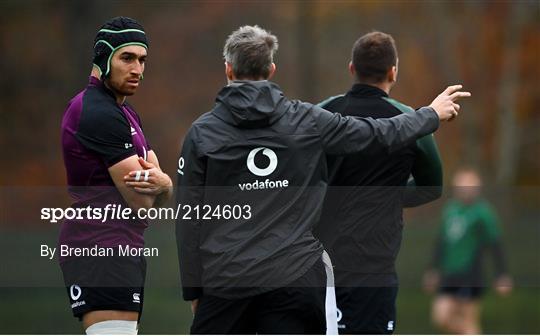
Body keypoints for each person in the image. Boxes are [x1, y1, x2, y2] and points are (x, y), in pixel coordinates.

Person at [176, 25, 469, 334]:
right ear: (272, 69)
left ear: (228, 69)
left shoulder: (201, 133)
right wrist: (430, 114)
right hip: (293, 281)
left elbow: (189, 219)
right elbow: (376, 134)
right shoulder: (305, 120)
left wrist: (193, 289)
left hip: (226, 285)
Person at [313, 31, 443, 334]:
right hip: (373, 269)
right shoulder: (410, 120)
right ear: (393, 71)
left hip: (317, 265)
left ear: (351, 69)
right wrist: (387, 195)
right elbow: (431, 186)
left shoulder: (323, 113)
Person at [60, 17, 172, 335]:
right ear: (103, 57)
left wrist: (162, 184)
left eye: (142, 60)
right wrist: (162, 183)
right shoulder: (97, 112)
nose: (137, 69)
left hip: (123, 244)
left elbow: (162, 194)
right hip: (99, 245)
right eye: (127, 58)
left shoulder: (125, 112)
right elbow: (142, 200)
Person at [423, 168, 512, 334]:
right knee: (440, 317)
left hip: (471, 274)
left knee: (469, 319)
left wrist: (502, 274)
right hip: (449, 274)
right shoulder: (450, 209)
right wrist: (433, 269)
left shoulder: (483, 212)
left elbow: (495, 244)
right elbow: (441, 242)